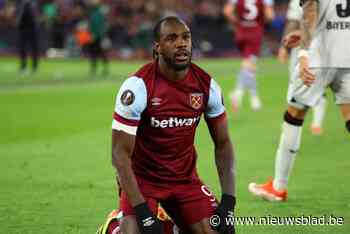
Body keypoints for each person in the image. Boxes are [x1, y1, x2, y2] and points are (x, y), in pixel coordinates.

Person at [112, 16, 236, 234]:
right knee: (134, 232)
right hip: (143, 181)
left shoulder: (207, 87)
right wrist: (142, 213)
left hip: (185, 181)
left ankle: (173, 226)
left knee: (221, 231)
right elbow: (119, 154)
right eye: (172, 38)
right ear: (157, 47)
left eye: (186, 37)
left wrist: (228, 201)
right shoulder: (138, 87)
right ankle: (113, 226)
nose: (181, 43)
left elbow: (223, 144)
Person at [249, 0, 350, 201]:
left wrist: (304, 53)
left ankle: (278, 187)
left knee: (294, 114)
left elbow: (310, 11)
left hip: (319, 57)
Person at [277, 0, 327, 136]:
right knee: (319, 85)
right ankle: (317, 124)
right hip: (327, 46)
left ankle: (289, 126)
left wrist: (284, 47)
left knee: (296, 85)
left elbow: (293, 22)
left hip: (304, 46)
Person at [223, 0, 274, 112]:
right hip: (255, 31)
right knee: (250, 64)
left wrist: (238, 22)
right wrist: (260, 22)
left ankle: (253, 98)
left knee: (249, 64)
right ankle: (238, 93)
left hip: (241, 31)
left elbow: (227, 11)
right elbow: (270, 16)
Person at [16, 0, 40, 75]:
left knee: (32, 48)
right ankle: (26, 66)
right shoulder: (23, 3)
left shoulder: (31, 3)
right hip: (25, 28)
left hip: (31, 28)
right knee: (25, 48)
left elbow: (34, 15)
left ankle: (33, 67)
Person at [87, 0, 109, 77]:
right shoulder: (99, 14)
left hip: (95, 37)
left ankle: (95, 69)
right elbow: (103, 26)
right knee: (101, 53)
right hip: (99, 37)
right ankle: (104, 69)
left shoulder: (94, 14)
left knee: (94, 54)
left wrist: (92, 35)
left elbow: (92, 27)